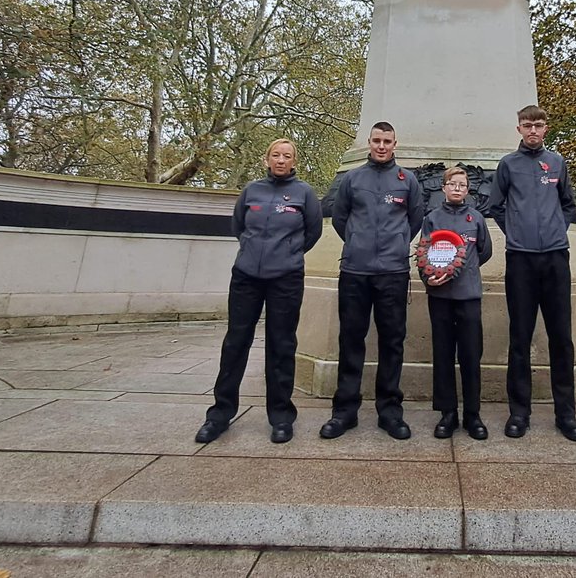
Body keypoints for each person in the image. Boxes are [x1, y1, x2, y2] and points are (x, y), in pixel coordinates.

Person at [195, 138, 323, 446]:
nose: (281, 160)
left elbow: (313, 232)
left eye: (287, 156)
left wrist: (288, 253)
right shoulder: (251, 191)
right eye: (276, 155)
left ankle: (281, 416)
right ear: (267, 159)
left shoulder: (305, 194)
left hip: (286, 278)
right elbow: (239, 227)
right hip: (246, 276)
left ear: (294, 162)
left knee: (281, 345)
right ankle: (219, 414)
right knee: (235, 342)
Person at [486, 105, 576, 442]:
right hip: (521, 260)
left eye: (538, 125)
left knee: (562, 338)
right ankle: (519, 412)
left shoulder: (556, 162)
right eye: (527, 125)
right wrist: (515, 232)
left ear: (546, 129)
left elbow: (568, 204)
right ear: (518, 129)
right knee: (520, 338)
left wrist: (557, 228)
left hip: (556, 258)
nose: (532, 130)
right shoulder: (508, 165)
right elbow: (495, 206)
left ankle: (565, 413)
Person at [320, 122, 424, 440]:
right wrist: (357, 242)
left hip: (393, 273)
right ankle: (345, 411)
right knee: (351, 341)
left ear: (395, 144)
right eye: (376, 140)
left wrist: (395, 245)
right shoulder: (352, 179)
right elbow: (340, 219)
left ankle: (390, 411)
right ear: (369, 142)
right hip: (355, 271)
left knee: (392, 342)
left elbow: (415, 220)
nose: (381, 146)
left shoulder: (409, 181)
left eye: (387, 141)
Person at [418, 167, 493, 440]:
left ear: (468, 189)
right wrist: (430, 278)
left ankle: (472, 414)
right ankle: (447, 413)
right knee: (443, 355)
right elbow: (423, 253)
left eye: (463, 184)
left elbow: (484, 251)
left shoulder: (477, 219)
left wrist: (465, 270)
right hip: (440, 297)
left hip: (469, 296)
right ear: (444, 187)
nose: (458, 188)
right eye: (453, 184)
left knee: (471, 356)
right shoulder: (432, 219)